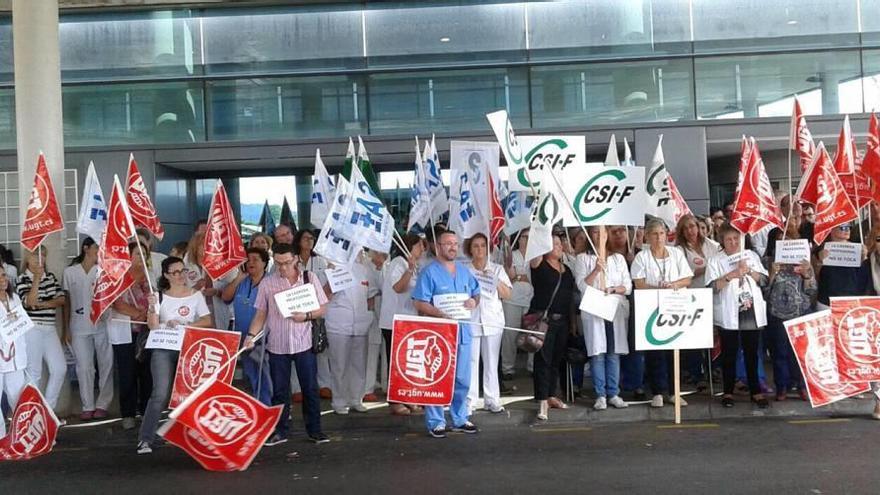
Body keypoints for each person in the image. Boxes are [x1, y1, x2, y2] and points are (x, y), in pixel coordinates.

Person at [245, 243, 330, 445]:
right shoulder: (268, 283)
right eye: (279, 263)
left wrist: (306, 316)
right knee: (280, 391)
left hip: (304, 343)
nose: (283, 268)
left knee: (310, 389)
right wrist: (251, 335)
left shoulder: (310, 279)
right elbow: (261, 313)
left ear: (296, 260)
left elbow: (322, 308)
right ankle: (280, 431)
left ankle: (315, 430)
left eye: (287, 263)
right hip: (278, 344)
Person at [137, 257, 213, 454]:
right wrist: (152, 307)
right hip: (162, 346)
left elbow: (207, 320)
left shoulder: (196, 295)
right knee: (160, 393)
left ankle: (188, 436)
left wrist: (187, 325)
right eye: (175, 272)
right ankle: (146, 438)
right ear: (166, 275)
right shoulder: (159, 297)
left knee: (188, 392)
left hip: (188, 347)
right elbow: (152, 326)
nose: (181, 276)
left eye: (183, 271)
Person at [411, 230, 481, 437]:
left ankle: (459, 418)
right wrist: (439, 313)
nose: (452, 247)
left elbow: (476, 294)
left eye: (455, 244)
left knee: (463, 379)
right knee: (436, 378)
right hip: (438, 335)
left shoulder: (464, 271)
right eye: (448, 243)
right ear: (438, 247)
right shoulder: (429, 272)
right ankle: (436, 421)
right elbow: (418, 302)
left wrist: (473, 302)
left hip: (462, 333)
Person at [630, 218, 693, 408]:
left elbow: (687, 278)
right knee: (654, 350)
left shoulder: (675, 253)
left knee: (673, 350)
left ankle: (674, 392)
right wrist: (658, 288)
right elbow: (639, 284)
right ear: (648, 236)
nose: (659, 237)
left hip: (674, 307)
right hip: (651, 308)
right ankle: (657, 391)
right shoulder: (642, 257)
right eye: (655, 234)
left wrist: (673, 285)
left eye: (662, 233)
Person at [705, 224, 770, 409]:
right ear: (722, 241)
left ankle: (755, 391)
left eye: (736, 239)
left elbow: (764, 280)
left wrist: (748, 270)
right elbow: (710, 288)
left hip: (750, 311)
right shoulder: (716, 260)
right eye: (729, 239)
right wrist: (731, 275)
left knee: (752, 353)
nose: (733, 242)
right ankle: (728, 391)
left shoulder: (751, 256)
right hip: (729, 313)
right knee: (729, 354)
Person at [573, 226, 632, 410]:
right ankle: (601, 395)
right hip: (595, 309)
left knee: (613, 353)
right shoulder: (583, 259)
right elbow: (582, 285)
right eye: (595, 232)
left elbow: (627, 286)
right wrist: (597, 270)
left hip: (614, 308)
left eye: (602, 232)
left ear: (607, 235)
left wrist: (613, 289)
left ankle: (613, 392)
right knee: (597, 353)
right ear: (591, 235)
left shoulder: (618, 259)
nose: (599, 236)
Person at [63, 237, 114, 420]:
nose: (98, 250)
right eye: (96, 247)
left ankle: (103, 404)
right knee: (84, 367)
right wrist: (66, 328)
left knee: (106, 365)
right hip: (78, 325)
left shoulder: (103, 271)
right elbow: (67, 301)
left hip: (102, 323)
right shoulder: (70, 272)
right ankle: (88, 405)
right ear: (86, 248)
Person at [528, 233, 577, 421]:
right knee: (543, 359)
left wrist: (572, 322)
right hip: (544, 320)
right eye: (553, 244)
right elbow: (535, 251)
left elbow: (570, 298)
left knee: (556, 359)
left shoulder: (568, 270)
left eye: (559, 243)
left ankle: (551, 395)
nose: (558, 246)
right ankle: (541, 399)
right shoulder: (539, 264)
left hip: (562, 320)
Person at [764, 226, 814, 402]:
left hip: (800, 312)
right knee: (779, 353)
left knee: (800, 353)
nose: (786, 244)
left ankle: (801, 386)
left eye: (790, 241)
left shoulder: (804, 262)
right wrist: (772, 273)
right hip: (777, 314)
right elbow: (763, 292)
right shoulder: (769, 262)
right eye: (782, 241)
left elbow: (812, 291)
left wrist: (807, 275)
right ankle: (782, 387)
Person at [323, 253, 377, 415]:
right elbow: (325, 294)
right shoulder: (332, 267)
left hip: (361, 322)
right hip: (339, 322)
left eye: (361, 251)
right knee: (339, 364)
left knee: (359, 364)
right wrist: (332, 276)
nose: (360, 254)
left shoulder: (365, 270)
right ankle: (339, 401)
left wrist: (369, 314)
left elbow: (371, 296)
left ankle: (356, 399)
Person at [378, 233, 425, 416]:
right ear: (410, 246)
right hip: (394, 322)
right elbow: (398, 288)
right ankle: (395, 401)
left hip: (408, 320)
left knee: (407, 363)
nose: (422, 249)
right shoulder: (399, 262)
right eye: (420, 245)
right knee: (395, 363)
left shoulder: (414, 265)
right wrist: (409, 270)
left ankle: (408, 397)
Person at [465, 233, 512, 414]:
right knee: (471, 361)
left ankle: (492, 399)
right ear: (470, 249)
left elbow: (507, 294)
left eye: (482, 246)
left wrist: (494, 278)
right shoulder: (465, 270)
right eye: (475, 246)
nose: (479, 250)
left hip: (492, 320)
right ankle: (470, 401)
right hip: (472, 319)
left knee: (492, 361)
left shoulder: (497, 268)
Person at [111, 241, 155, 430]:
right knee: (127, 374)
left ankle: (146, 411)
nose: (141, 258)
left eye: (144, 254)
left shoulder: (150, 277)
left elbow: (156, 301)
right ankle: (128, 413)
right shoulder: (118, 277)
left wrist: (149, 314)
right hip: (125, 332)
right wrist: (138, 313)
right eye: (137, 253)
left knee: (147, 374)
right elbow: (117, 303)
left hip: (146, 332)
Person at [17, 245, 66, 410]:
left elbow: (61, 300)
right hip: (32, 328)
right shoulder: (21, 278)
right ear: (28, 259)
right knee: (34, 373)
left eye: (43, 256)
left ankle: (47, 411)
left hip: (50, 327)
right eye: (36, 256)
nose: (41, 259)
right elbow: (29, 303)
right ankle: (31, 414)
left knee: (60, 368)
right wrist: (36, 279)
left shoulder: (50, 277)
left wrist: (42, 304)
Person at [221, 247, 272, 405]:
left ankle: (269, 405)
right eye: (248, 259)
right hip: (243, 337)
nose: (251, 262)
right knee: (250, 375)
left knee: (266, 375)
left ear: (265, 263)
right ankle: (257, 406)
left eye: (256, 259)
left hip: (264, 338)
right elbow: (225, 297)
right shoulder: (242, 281)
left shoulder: (271, 282)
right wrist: (238, 278)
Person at [676, 214, 720, 388]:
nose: (690, 231)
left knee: (714, 335)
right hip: (693, 297)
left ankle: (713, 369)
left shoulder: (712, 245)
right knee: (696, 337)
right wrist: (706, 269)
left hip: (713, 295)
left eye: (692, 226)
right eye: (685, 228)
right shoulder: (679, 250)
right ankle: (697, 372)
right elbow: (683, 275)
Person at [293, 228, 332, 400]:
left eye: (312, 238)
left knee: (319, 344)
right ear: (299, 240)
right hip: (297, 308)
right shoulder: (293, 260)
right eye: (306, 238)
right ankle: (297, 388)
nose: (310, 241)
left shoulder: (321, 261)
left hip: (317, 308)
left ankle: (324, 384)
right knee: (296, 347)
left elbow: (328, 284)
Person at [501, 229, 534, 380]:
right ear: (519, 239)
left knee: (532, 335)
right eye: (524, 237)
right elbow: (511, 276)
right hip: (512, 300)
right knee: (510, 334)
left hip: (531, 299)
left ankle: (532, 367)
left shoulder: (535, 256)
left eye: (529, 237)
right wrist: (521, 276)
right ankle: (508, 368)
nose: (526, 240)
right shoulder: (512, 255)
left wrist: (519, 276)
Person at [184, 232, 234, 330]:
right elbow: (180, 292)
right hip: (196, 312)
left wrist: (217, 292)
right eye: (204, 245)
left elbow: (233, 290)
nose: (208, 248)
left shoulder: (223, 266)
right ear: (196, 247)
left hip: (218, 309)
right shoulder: (187, 266)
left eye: (210, 245)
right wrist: (195, 288)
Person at [0, 270, 28, 438]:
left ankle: (21, 437)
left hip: (16, 358)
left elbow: (21, 327)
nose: (2, 279)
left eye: (3, 275)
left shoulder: (14, 298)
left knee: (18, 398)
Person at [814, 224, 870, 309]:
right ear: (831, 229)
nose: (847, 230)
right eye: (843, 227)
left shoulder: (859, 249)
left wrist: (864, 260)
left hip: (851, 300)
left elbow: (864, 277)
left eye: (849, 227)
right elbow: (814, 276)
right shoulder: (820, 249)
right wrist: (820, 261)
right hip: (826, 301)